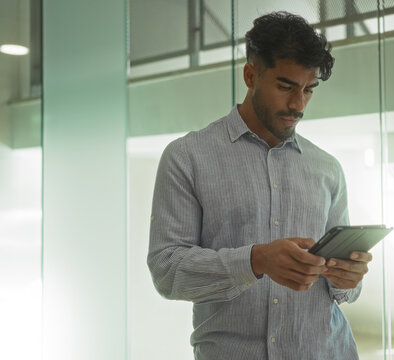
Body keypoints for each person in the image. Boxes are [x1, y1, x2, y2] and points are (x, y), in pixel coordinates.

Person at [147, 11, 372, 359]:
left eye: (308, 90)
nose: (297, 105)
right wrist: (256, 260)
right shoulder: (187, 157)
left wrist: (350, 278)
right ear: (251, 75)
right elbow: (167, 271)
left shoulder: (328, 168)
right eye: (285, 87)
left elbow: (344, 292)